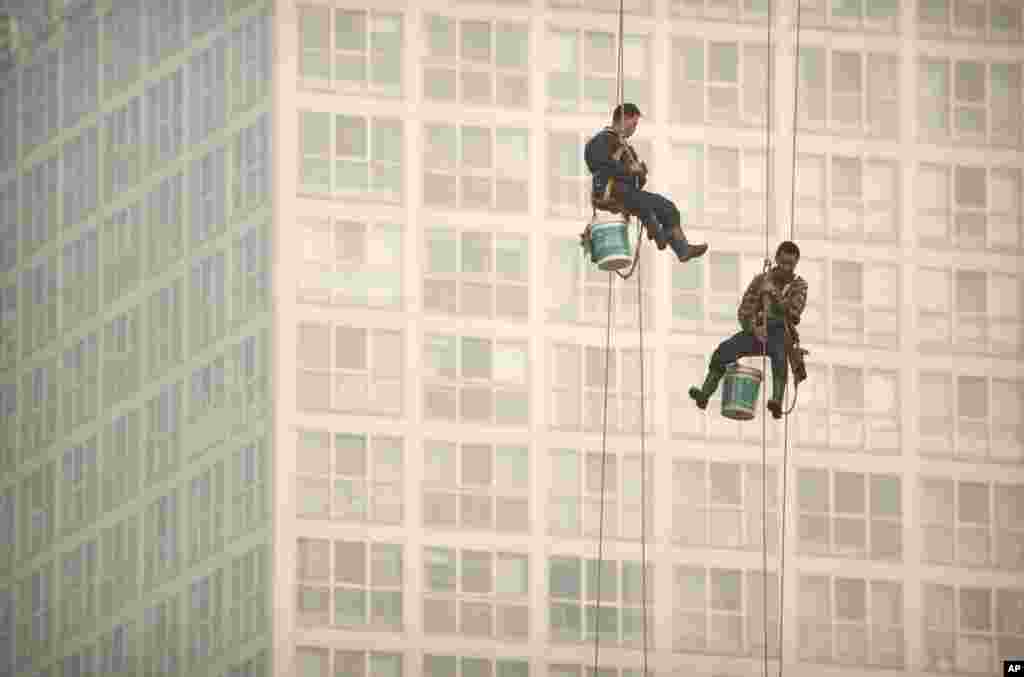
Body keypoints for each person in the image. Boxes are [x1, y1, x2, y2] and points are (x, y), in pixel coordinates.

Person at [689, 241, 809, 419]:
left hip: (780, 331)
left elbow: (793, 313)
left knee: (779, 355)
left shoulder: (799, 286)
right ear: (776, 259)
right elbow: (745, 309)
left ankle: (776, 400)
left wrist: (774, 295)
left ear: (795, 264)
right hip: (757, 329)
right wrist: (754, 328)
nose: (786, 268)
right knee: (725, 350)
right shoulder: (761, 281)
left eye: (790, 264)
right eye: (783, 263)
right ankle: (705, 394)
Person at [584, 103, 708, 263]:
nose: (634, 128)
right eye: (633, 124)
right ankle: (659, 234)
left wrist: (640, 174)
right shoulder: (602, 140)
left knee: (667, 207)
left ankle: (682, 248)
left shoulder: (626, 148)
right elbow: (598, 164)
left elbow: (635, 182)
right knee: (644, 205)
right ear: (623, 119)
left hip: (627, 193)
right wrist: (629, 170)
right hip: (609, 190)